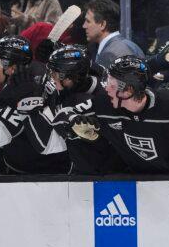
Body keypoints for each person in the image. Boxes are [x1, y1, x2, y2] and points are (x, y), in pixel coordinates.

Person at [70, 55, 169, 173]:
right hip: (142, 185)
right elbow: (64, 115)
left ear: (129, 90)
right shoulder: (104, 103)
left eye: (112, 85)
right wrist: (74, 122)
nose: (107, 88)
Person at [0, 35, 71, 174]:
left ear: (12, 68)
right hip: (51, 167)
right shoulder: (37, 70)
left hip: (42, 176)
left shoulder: (21, 91)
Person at [47, 45, 125, 174]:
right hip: (80, 166)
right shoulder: (69, 89)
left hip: (104, 169)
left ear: (70, 77)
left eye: (55, 74)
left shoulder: (103, 96)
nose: (52, 78)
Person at [84, 0, 145, 69]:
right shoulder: (128, 45)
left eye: (88, 21)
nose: (84, 26)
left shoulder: (111, 54)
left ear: (102, 24)